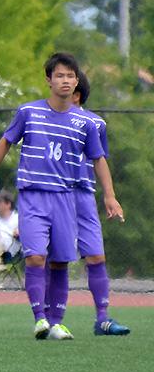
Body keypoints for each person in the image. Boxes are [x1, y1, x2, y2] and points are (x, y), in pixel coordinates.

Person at [0, 53, 124, 341]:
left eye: (70, 76)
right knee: (35, 257)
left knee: (60, 261)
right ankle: (40, 318)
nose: (66, 81)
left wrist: (110, 195)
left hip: (66, 198)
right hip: (34, 196)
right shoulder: (29, 112)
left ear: (77, 82)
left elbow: (99, 160)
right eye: (60, 75)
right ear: (49, 80)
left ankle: (58, 321)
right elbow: (6, 141)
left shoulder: (86, 123)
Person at [64, 71, 129, 335]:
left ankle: (102, 318)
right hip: (55, 194)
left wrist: (109, 195)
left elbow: (99, 160)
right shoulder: (45, 118)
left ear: (77, 94)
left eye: (67, 83)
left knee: (96, 255)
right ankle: (47, 316)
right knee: (50, 257)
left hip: (83, 195)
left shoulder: (95, 124)